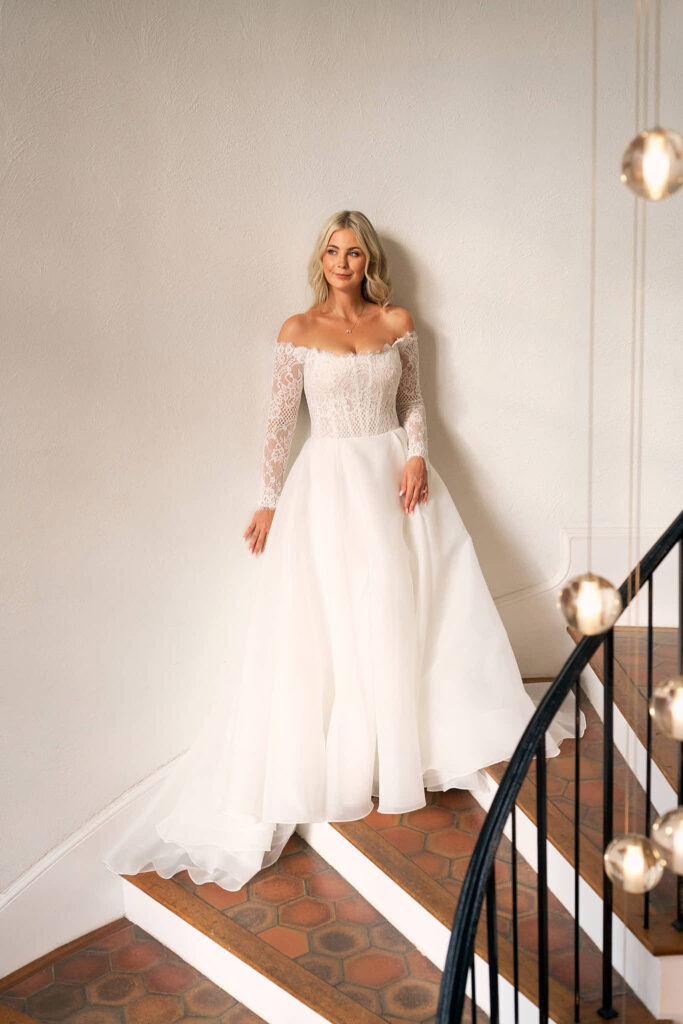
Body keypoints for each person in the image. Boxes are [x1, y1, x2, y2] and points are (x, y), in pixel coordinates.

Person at [102, 210, 581, 892]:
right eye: (332, 250)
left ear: (368, 260)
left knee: (405, 604)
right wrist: (268, 499)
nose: (342, 261)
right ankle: (351, 754)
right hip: (326, 486)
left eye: (354, 252)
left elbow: (416, 402)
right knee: (332, 616)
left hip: (394, 480)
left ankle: (407, 743)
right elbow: (277, 422)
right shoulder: (296, 331)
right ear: (320, 260)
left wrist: (416, 457)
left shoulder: (397, 323)